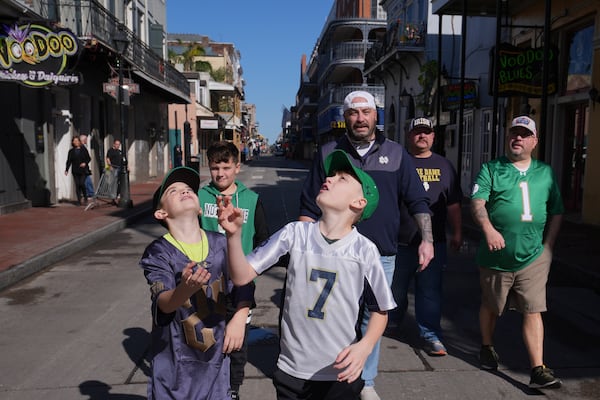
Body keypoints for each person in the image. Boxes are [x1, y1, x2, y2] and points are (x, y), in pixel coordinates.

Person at [219, 149, 397, 400]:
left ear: (359, 202)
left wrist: (364, 347)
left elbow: (380, 310)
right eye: (332, 174)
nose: (331, 178)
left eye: (342, 178)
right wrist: (233, 236)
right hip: (291, 370)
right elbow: (241, 275)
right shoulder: (294, 234)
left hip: (340, 373)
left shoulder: (365, 251)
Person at [299, 91, 433, 400]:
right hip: (334, 254)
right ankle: (330, 374)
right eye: (353, 113)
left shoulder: (398, 154)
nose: (360, 118)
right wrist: (304, 248)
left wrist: (427, 240)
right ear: (344, 118)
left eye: (366, 112)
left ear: (376, 117)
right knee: (335, 317)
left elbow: (417, 201)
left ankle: (366, 381)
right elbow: (308, 205)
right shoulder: (329, 152)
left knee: (371, 318)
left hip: (381, 254)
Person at [139, 166, 254, 399]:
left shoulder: (221, 242)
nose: (184, 191)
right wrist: (184, 290)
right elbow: (164, 303)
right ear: (161, 213)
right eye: (173, 190)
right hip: (176, 371)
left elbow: (244, 281)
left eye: (188, 189)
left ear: (201, 208)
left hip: (216, 367)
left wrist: (240, 317)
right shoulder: (159, 252)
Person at [471, 116, 564, 389]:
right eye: (514, 133)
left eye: (525, 135)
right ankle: (487, 346)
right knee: (492, 305)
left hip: (533, 257)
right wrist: (488, 229)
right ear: (507, 136)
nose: (518, 138)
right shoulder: (491, 169)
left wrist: (548, 246)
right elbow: (477, 203)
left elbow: (557, 211)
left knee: (533, 310)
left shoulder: (545, 172)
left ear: (534, 141)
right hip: (496, 258)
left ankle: (538, 368)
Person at [199, 140, 269, 400]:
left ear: (237, 167)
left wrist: (252, 270)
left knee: (236, 343)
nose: (220, 173)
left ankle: (232, 389)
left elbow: (264, 239)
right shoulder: (199, 197)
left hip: (240, 283)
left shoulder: (251, 199)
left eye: (226, 167)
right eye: (215, 167)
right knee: (206, 338)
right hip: (206, 281)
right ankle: (207, 383)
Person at [392, 117, 462, 356]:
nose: (421, 136)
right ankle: (391, 324)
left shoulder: (444, 165)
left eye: (426, 132)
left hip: (435, 242)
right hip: (399, 241)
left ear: (433, 136)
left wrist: (458, 232)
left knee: (430, 292)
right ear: (408, 135)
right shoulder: (397, 163)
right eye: (416, 132)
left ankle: (431, 335)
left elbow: (453, 204)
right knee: (395, 290)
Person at [64, 136, 91, 205]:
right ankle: (79, 200)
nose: (76, 142)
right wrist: (66, 169)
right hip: (75, 170)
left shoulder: (83, 149)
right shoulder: (71, 151)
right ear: (72, 142)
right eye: (74, 141)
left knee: (82, 183)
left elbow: (88, 158)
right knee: (77, 185)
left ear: (79, 142)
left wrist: (85, 163)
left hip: (83, 170)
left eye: (77, 141)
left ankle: (85, 197)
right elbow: (69, 161)